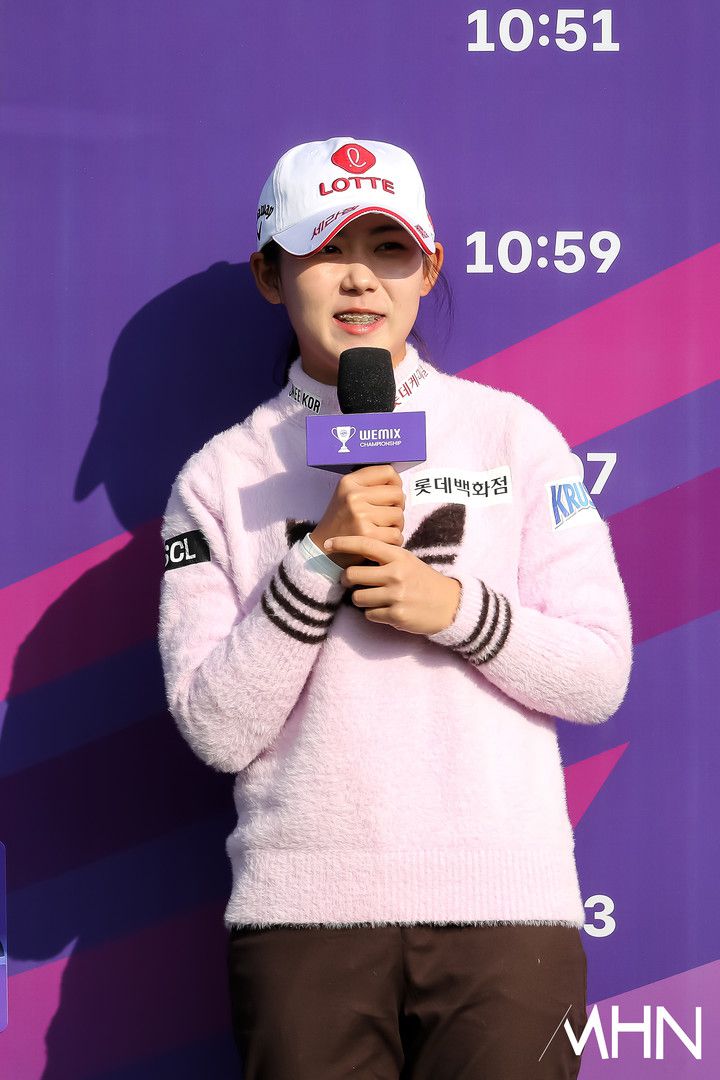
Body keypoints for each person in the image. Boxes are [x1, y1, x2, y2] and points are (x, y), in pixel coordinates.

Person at [157, 137, 633, 1079]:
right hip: (304, 924)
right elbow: (215, 727)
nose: (359, 279)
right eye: (326, 250)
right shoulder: (220, 477)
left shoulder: (510, 436)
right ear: (270, 274)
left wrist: (453, 607)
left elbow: (597, 676)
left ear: (430, 268)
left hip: (507, 919)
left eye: (388, 249)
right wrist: (316, 561)